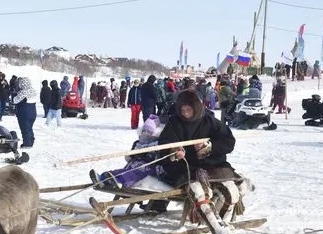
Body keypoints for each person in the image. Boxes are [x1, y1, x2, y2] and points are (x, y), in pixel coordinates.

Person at [149, 90, 238, 222]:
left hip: (212, 164)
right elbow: (165, 144)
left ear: (196, 108)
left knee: (231, 190)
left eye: (188, 109)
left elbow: (229, 142)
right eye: (182, 110)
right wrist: (174, 151)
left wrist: (209, 147)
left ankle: (225, 219)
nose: (184, 113)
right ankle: (210, 219)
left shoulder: (209, 120)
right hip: (185, 167)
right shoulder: (175, 122)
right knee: (198, 191)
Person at [89, 114, 162, 189]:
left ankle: (118, 181)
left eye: (149, 131)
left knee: (131, 175)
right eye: (144, 131)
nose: (145, 133)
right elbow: (131, 155)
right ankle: (102, 178)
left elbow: (156, 158)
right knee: (120, 171)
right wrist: (131, 155)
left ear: (154, 134)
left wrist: (147, 155)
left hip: (146, 168)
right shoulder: (137, 143)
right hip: (133, 165)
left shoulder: (156, 145)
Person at [12, 77, 37, 148]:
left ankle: (27, 143)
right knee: (29, 128)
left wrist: (15, 94)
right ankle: (31, 141)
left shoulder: (23, 92)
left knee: (25, 128)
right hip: (33, 111)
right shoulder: (33, 90)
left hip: (24, 112)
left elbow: (15, 100)